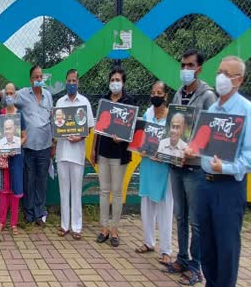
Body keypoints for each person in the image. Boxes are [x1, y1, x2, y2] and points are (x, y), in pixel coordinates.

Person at [186, 56, 251, 287]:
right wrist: (191, 149)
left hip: (229, 186)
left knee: (226, 242)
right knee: (206, 238)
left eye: (226, 73)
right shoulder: (212, 111)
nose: (221, 77)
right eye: (219, 71)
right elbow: (200, 142)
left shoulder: (246, 111)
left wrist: (228, 167)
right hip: (205, 182)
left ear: (238, 80)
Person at [164, 49, 217, 286]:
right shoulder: (178, 94)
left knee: (196, 220)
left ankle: (196, 267)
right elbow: (172, 128)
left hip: (195, 167)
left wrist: (192, 150)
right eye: (183, 65)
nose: (185, 69)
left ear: (199, 68)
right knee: (180, 215)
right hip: (176, 163)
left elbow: (209, 130)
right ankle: (182, 259)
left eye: (190, 65)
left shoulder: (208, 97)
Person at [0, 65, 53, 226]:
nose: (39, 79)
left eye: (40, 77)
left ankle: (39, 213)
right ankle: (29, 213)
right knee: (29, 180)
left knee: (41, 181)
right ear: (31, 79)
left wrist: (54, 143)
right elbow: (7, 94)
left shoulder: (49, 96)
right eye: (36, 77)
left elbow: (53, 119)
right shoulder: (23, 94)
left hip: (45, 145)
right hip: (29, 146)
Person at [90, 66, 135, 248]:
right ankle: (104, 228)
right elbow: (99, 129)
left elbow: (131, 131)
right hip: (103, 151)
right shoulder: (104, 101)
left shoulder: (129, 102)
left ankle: (115, 229)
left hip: (120, 153)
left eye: (118, 80)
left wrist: (121, 137)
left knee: (116, 191)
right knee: (103, 190)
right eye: (113, 80)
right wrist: (93, 149)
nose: (115, 83)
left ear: (123, 83)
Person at [136, 81, 174, 264]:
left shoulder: (172, 118)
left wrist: (164, 155)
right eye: (153, 92)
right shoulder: (147, 114)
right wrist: (140, 148)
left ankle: (166, 250)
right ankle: (148, 242)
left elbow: (177, 144)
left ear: (165, 96)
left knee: (165, 209)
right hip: (148, 165)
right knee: (147, 205)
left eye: (159, 92)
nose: (155, 96)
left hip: (164, 167)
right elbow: (140, 138)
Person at [55, 69, 94, 240]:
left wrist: (79, 137)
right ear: (65, 82)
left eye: (74, 81)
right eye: (69, 81)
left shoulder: (84, 102)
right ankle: (64, 225)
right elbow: (56, 126)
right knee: (64, 191)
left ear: (78, 82)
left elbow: (89, 127)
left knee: (76, 192)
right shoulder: (60, 102)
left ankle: (77, 227)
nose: (71, 83)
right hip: (62, 152)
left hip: (77, 153)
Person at [0, 83, 26, 235]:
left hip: (16, 159)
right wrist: (5, 149)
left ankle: (13, 223)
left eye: (11, 93)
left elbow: (24, 136)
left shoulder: (20, 115)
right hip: (3, 159)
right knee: (3, 191)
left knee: (15, 190)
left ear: (15, 95)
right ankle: (2, 222)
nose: (9, 96)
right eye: (6, 93)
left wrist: (16, 145)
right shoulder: (0, 114)